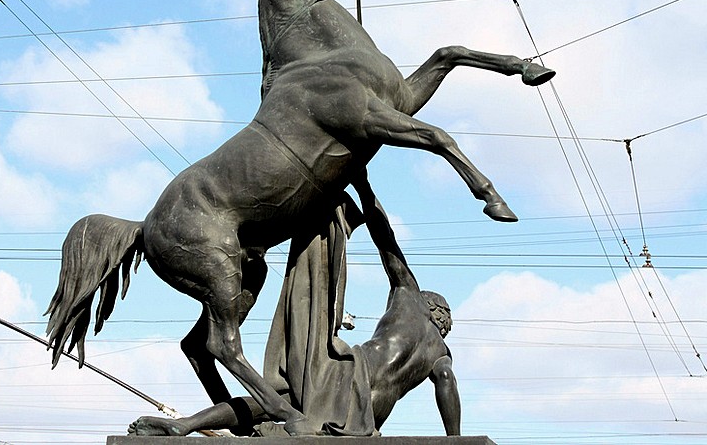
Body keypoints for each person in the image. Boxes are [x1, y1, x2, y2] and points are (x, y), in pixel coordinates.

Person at [128, 174, 460, 436]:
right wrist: (455, 438)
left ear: (432, 306)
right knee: (284, 402)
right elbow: (446, 384)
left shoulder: (410, 299)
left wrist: (363, 184)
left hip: (349, 373)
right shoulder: (440, 355)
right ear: (442, 320)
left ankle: (187, 425)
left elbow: (385, 239)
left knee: (277, 398)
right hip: (365, 416)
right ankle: (185, 425)